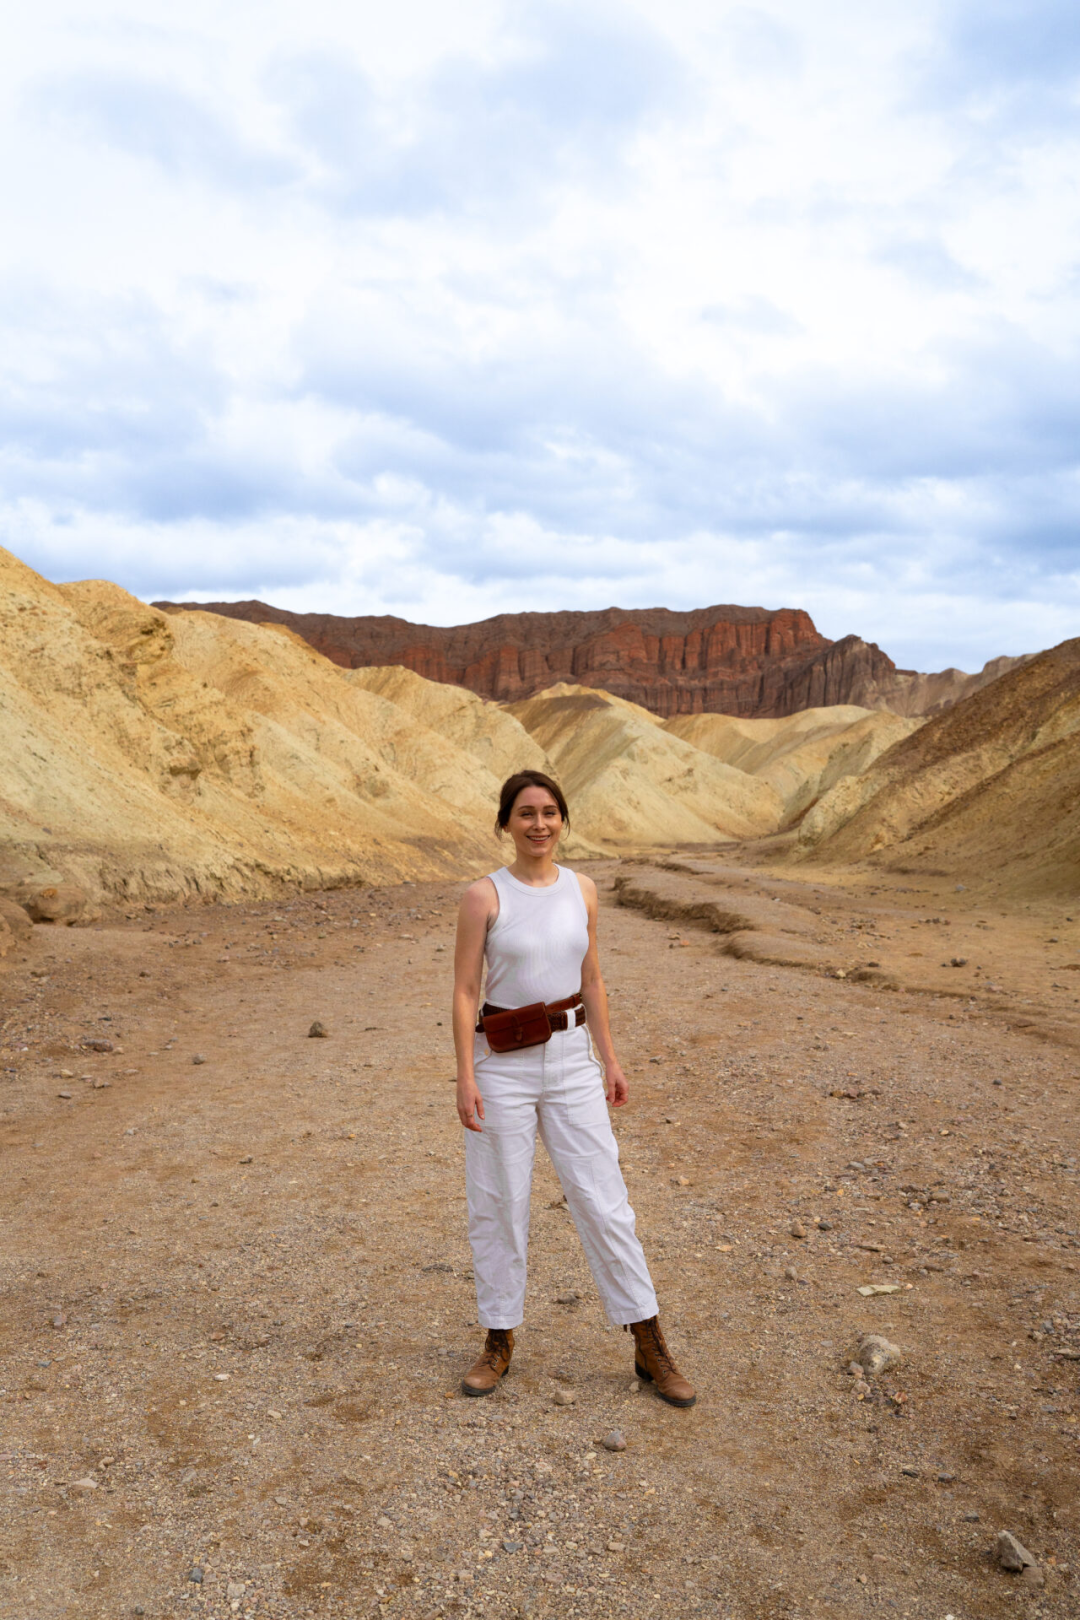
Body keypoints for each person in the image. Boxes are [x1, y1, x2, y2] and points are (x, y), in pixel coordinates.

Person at [451, 769, 696, 1407]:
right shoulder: (484, 896)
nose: (539, 825)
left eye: (550, 812)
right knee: (499, 1202)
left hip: (572, 1060)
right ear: (505, 822)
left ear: (564, 820)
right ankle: (498, 1340)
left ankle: (650, 1343)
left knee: (604, 1200)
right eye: (526, 813)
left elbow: (592, 979)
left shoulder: (583, 890)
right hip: (502, 1063)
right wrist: (466, 1075)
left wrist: (609, 1060)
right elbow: (464, 991)